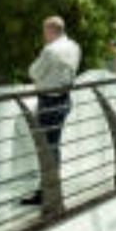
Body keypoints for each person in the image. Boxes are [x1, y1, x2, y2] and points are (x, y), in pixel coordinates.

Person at [20, 16, 80, 206]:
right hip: (65, 100)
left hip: (49, 101)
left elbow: (33, 72)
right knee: (53, 145)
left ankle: (47, 191)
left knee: (47, 147)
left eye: (44, 30)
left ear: (51, 30)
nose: (43, 34)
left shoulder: (50, 50)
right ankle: (51, 188)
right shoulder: (74, 46)